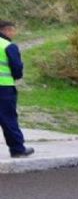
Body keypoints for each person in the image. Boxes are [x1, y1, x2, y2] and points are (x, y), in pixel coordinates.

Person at [0, 20, 34, 158]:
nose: (14, 33)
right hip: (4, 88)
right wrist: (16, 76)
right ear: (6, 30)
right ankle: (17, 149)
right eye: (12, 30)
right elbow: (17, 68)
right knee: (8, 119)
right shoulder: (8, 46)